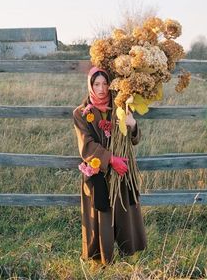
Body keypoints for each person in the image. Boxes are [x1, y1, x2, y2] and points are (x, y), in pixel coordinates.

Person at [73, 66, 147, 265]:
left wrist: (132, 125)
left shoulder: (121, 107)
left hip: (122, 170)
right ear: (90, 85)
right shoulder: (81, 113)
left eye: (105, 83)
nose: (101, 89)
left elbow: (134, 140)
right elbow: (86, 145)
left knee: (124, 211)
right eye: (96, 84)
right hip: (99, 171)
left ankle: (128, 255)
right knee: (102, 215)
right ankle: (103, 259)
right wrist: (110, 159)